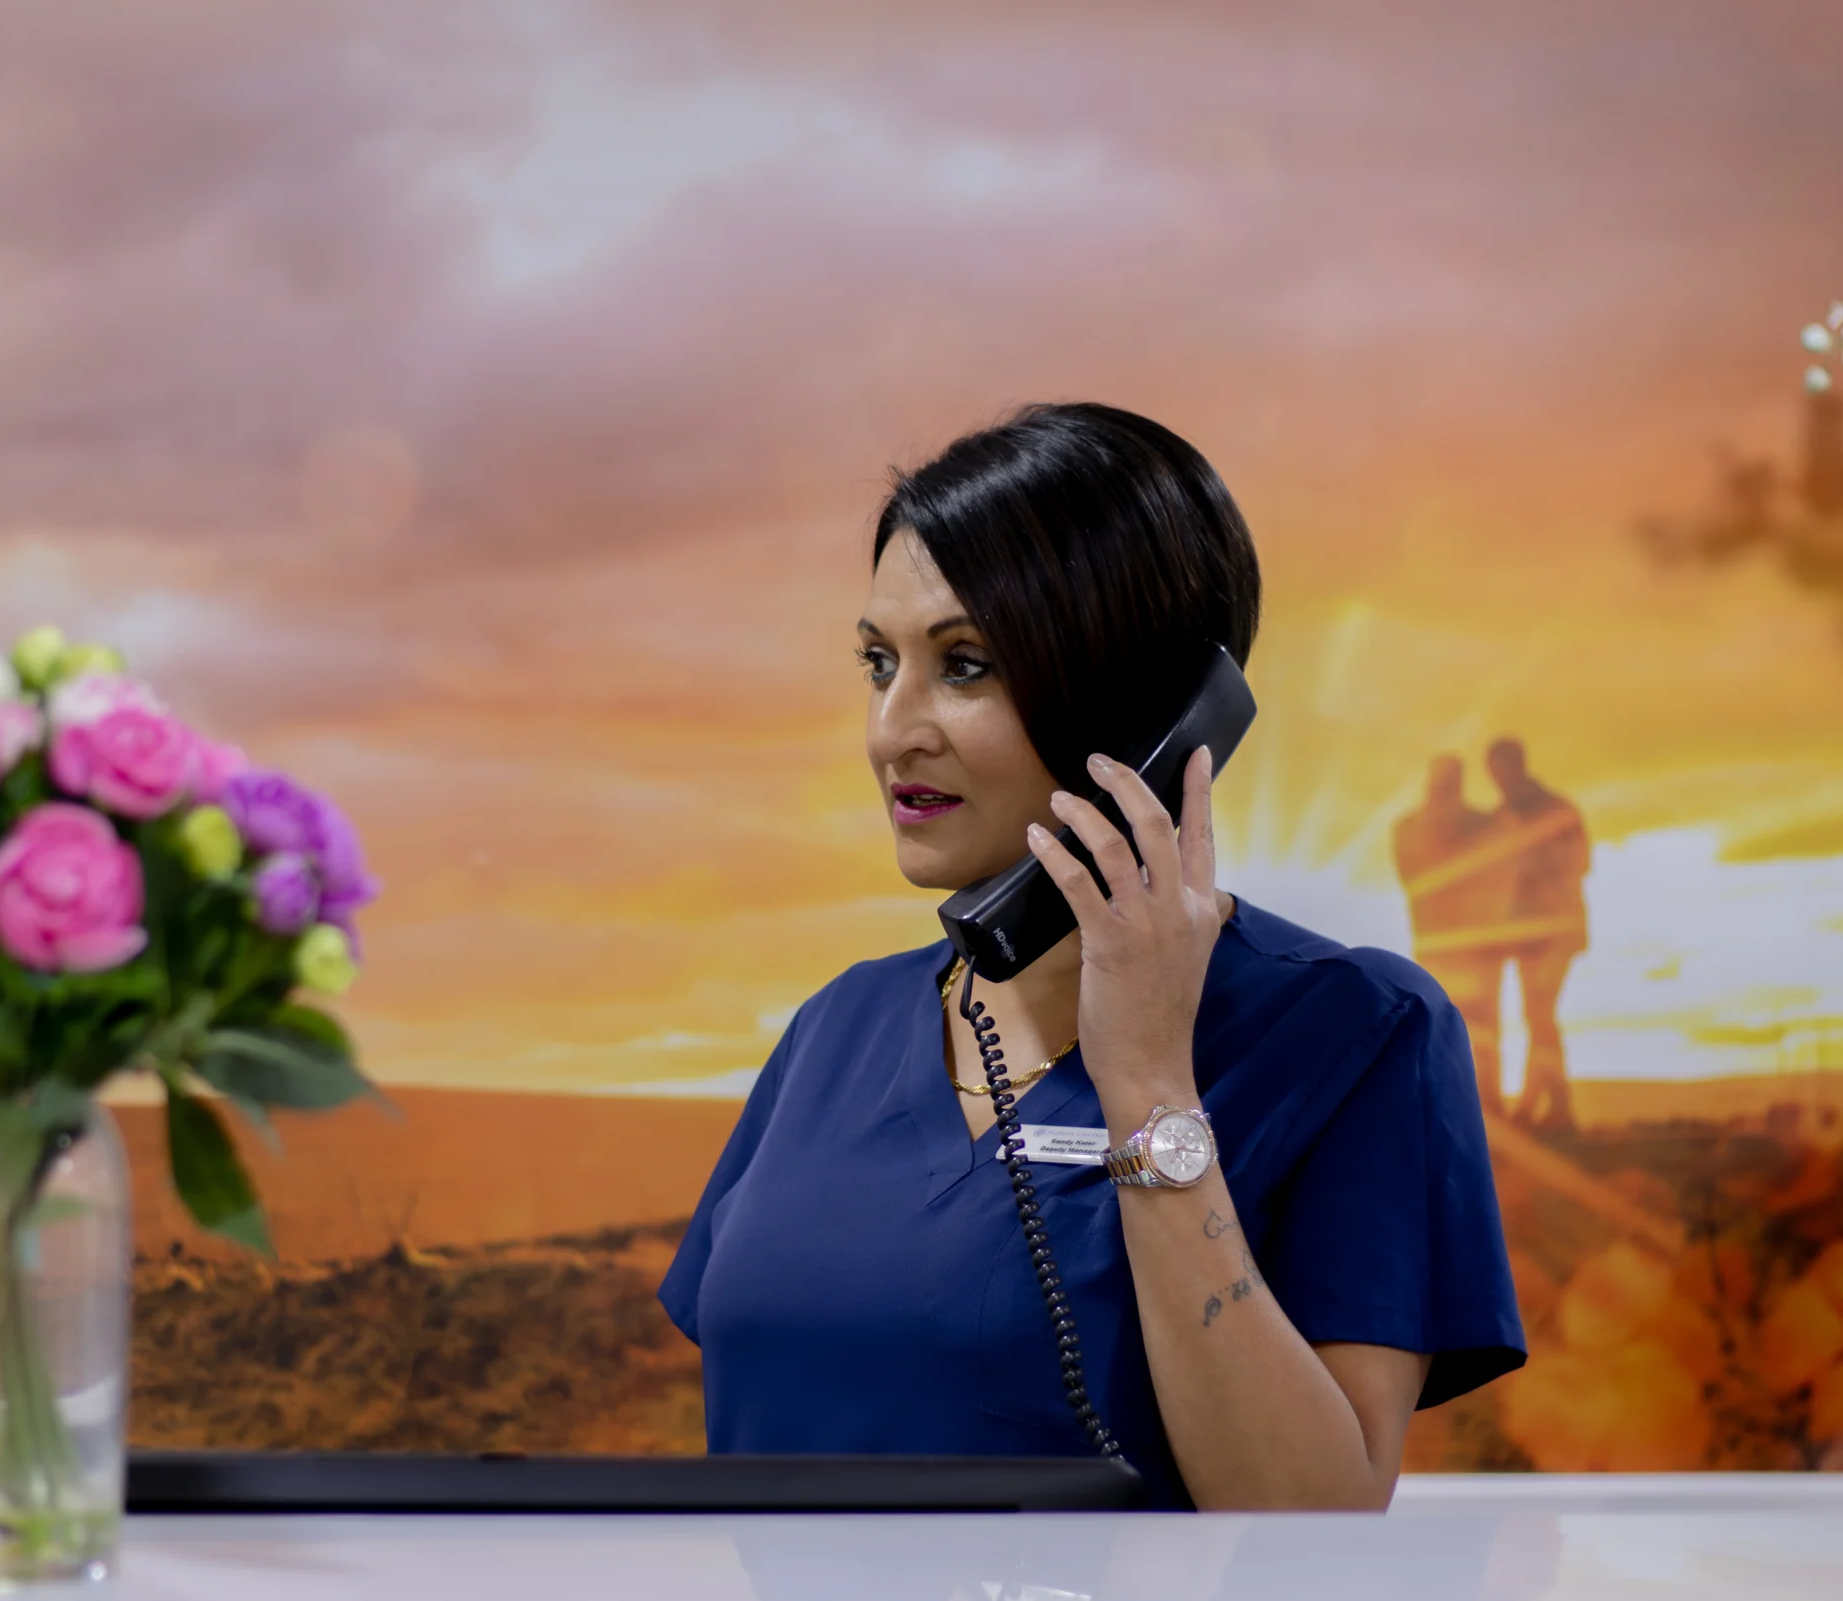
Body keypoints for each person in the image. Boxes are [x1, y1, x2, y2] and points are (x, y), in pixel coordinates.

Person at [659, 404, 1524, 1511]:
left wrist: (1151, 1083)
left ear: (1149, 710)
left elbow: (1313, 1518)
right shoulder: (839, 1028)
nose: (890, 730)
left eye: (965, 666)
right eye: (879, 663)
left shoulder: (1353, 1031)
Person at [1391, 755, 1509, 1113]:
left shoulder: (1409, 826)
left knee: (1469, 1019)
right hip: (1449, 941)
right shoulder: (1417, 827)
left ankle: (1479, 1101)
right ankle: (1466, 1101)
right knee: (1458, 1018)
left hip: (1462, 940)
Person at [1484, 738, 1589, 1131]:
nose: (1496, 780)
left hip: (1553, 929)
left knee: (1539, 1014)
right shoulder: (1506, 814)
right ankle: (1546, 1106)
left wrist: (1534, 863)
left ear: (1515, 766)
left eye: (1498, 770)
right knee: (1537, 1015)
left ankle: (1548, 1107)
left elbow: (1579, 861)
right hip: (1527, 932)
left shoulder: (1552, 809)